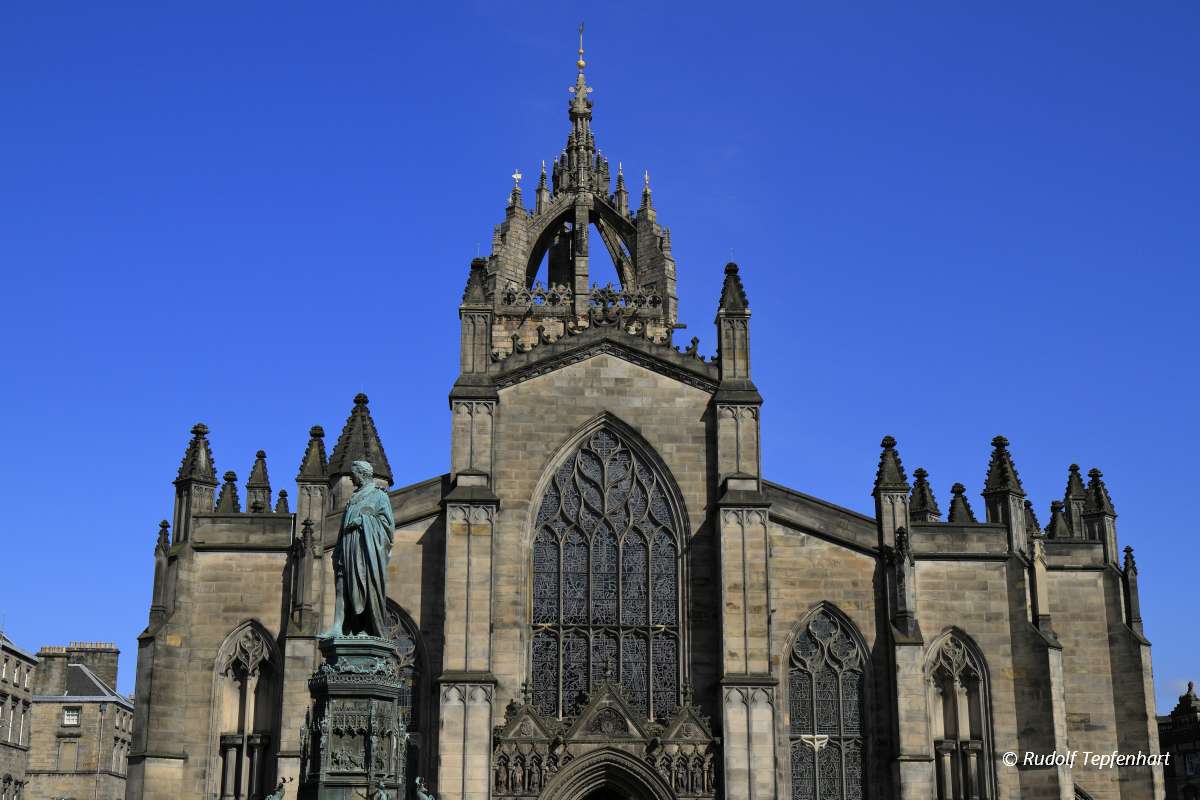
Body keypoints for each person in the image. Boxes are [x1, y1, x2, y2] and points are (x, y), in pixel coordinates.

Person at [327, 460, 395, 637]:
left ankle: (364, 627)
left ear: (363, 473)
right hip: (347, 547)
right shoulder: (353, 497)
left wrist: (363, 521)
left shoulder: (379, 496)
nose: (350, 477)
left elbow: (387, 526)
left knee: (363, 587)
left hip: (366, 551)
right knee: (342, 587)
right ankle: (337, 626)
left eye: (353, 473)